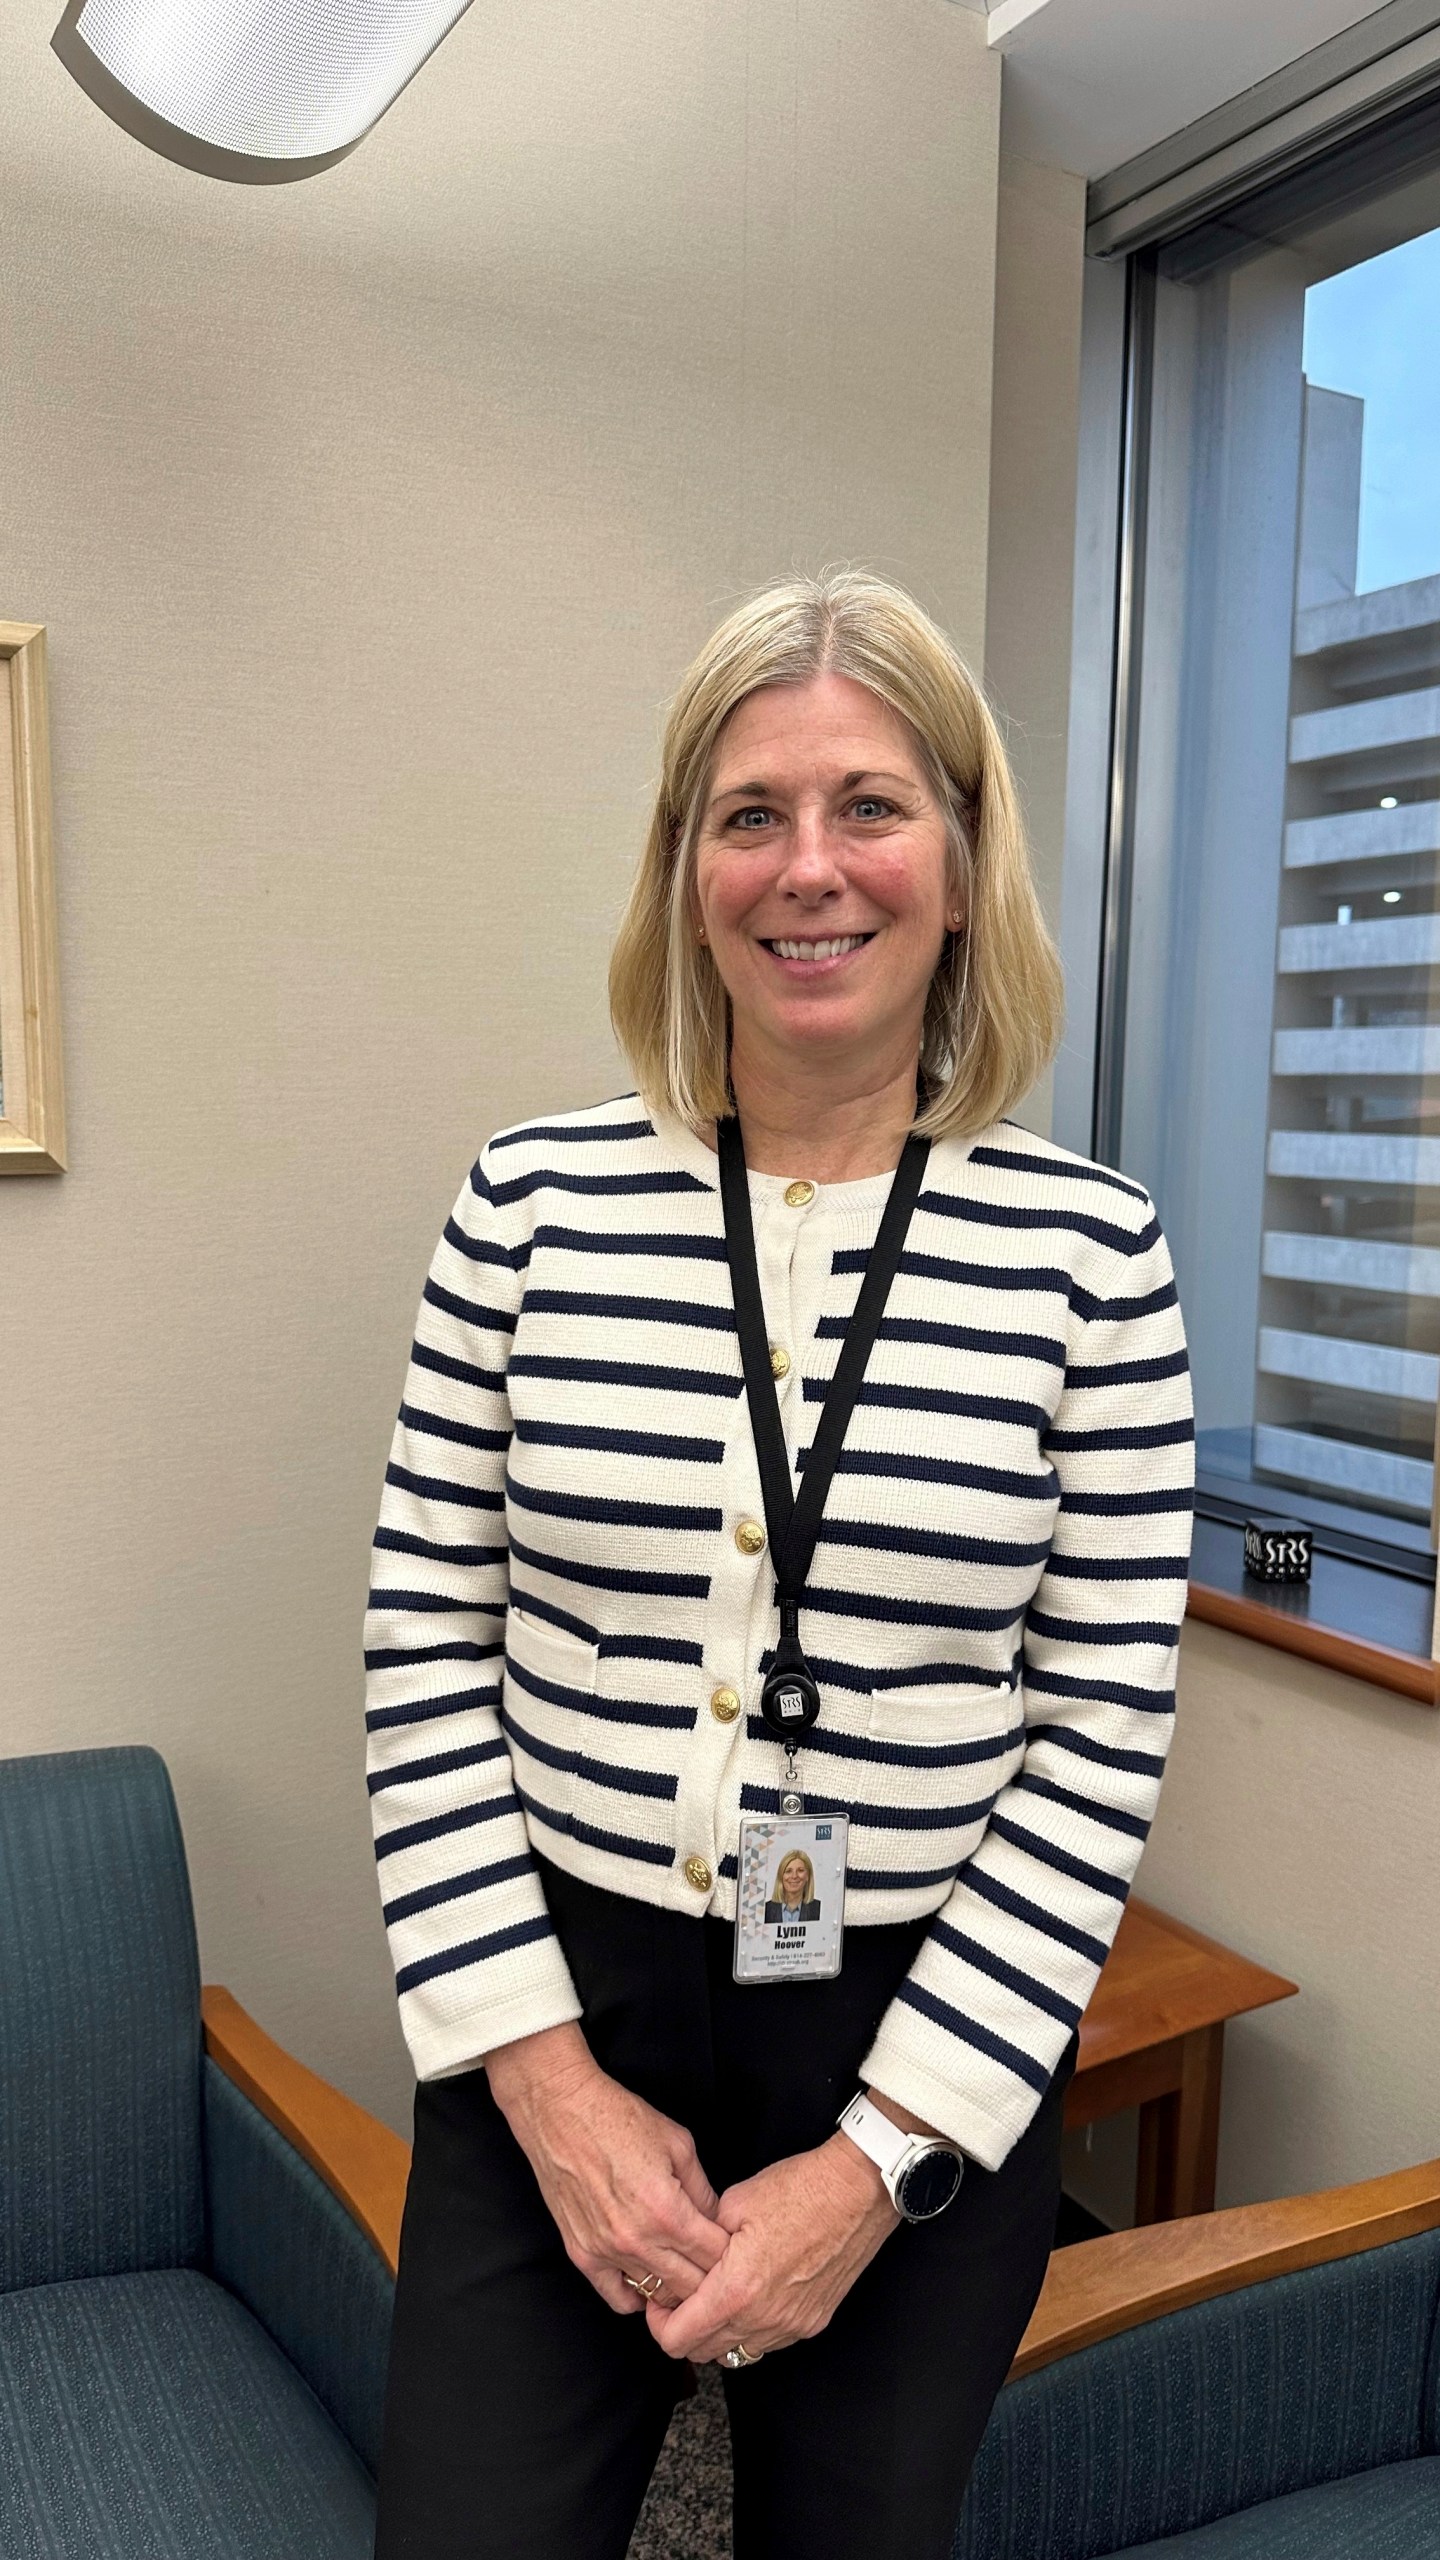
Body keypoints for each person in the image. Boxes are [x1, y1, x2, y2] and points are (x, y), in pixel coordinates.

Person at [364, 569, 1195, 2560]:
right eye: (750, 812)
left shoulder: (1095, 1255)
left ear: (966, 857)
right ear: (685, 865)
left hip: (913, 2027)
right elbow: (421, 1644)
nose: (807, 868)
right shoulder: (529, 1203)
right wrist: (549, 2086)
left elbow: (1094, 1742)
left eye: (869, 804)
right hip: (562, 1997)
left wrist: (878, 2159)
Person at [765, 1849, 821, 1923]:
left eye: (800, 1870)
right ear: (781, 1876)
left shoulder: (818, 1909)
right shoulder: (766, 1910)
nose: (794, 1876)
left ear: (808, 1876)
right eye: (788, 1871)